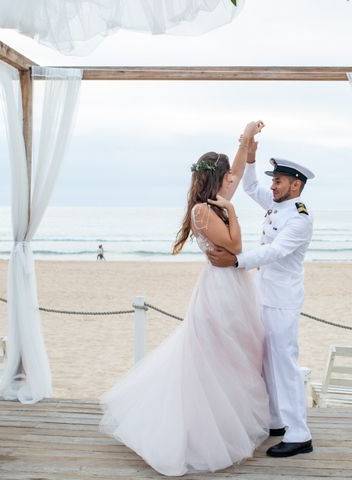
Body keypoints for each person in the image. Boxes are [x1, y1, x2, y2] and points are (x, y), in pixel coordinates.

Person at [100, 120, 269, 476]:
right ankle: (201, 431)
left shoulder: (217, 200)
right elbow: (235, 245)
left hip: (234, 285)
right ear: (216, 178)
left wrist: (246, 137)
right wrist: (235, 213)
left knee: (237, 355)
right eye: (227, 177)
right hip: (219, 290)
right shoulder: (203, 211)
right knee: (215, 358)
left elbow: (236, 171)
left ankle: (228, 422)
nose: (232, 181)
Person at [207, 147, 315, 458]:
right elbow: (251, 187)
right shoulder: (278, 204)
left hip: (282, 301)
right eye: (274, 180)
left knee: (285, 366)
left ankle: (299, 434)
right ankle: (277, 421)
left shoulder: (299, 219)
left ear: (295, 185)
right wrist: (251, 159)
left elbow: (275, 252)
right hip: (264, 295)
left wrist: (236, 261)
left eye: (278, 181)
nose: (272, 186)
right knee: (267, 362)